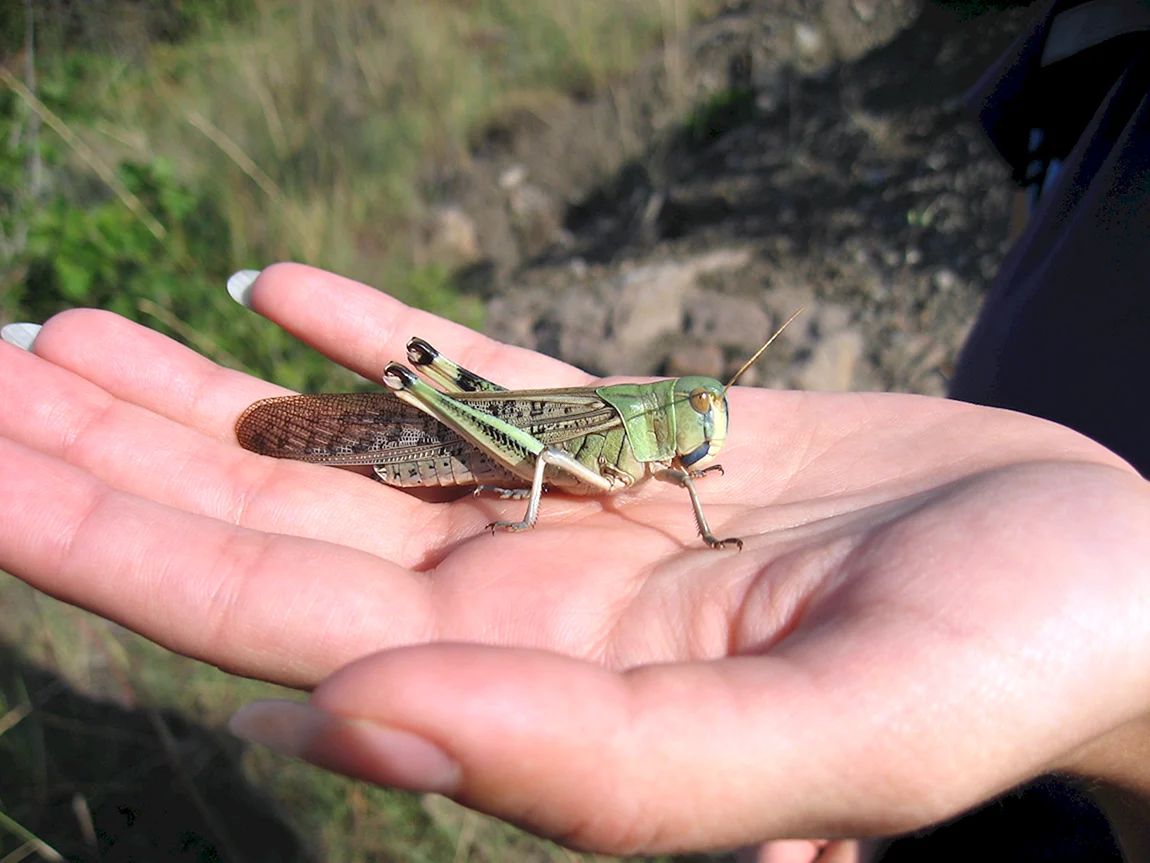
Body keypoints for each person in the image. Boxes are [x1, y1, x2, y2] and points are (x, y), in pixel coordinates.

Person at [1, 259, 1148, 862]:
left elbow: (683, 483)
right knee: (434, 385)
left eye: (707, 413)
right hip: (469, 443)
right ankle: (361, 419)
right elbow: (561, 466)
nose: (701, 428)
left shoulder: (669, 441)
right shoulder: (622, 432)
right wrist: (522, 507)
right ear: (670, 408)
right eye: (695, 412)